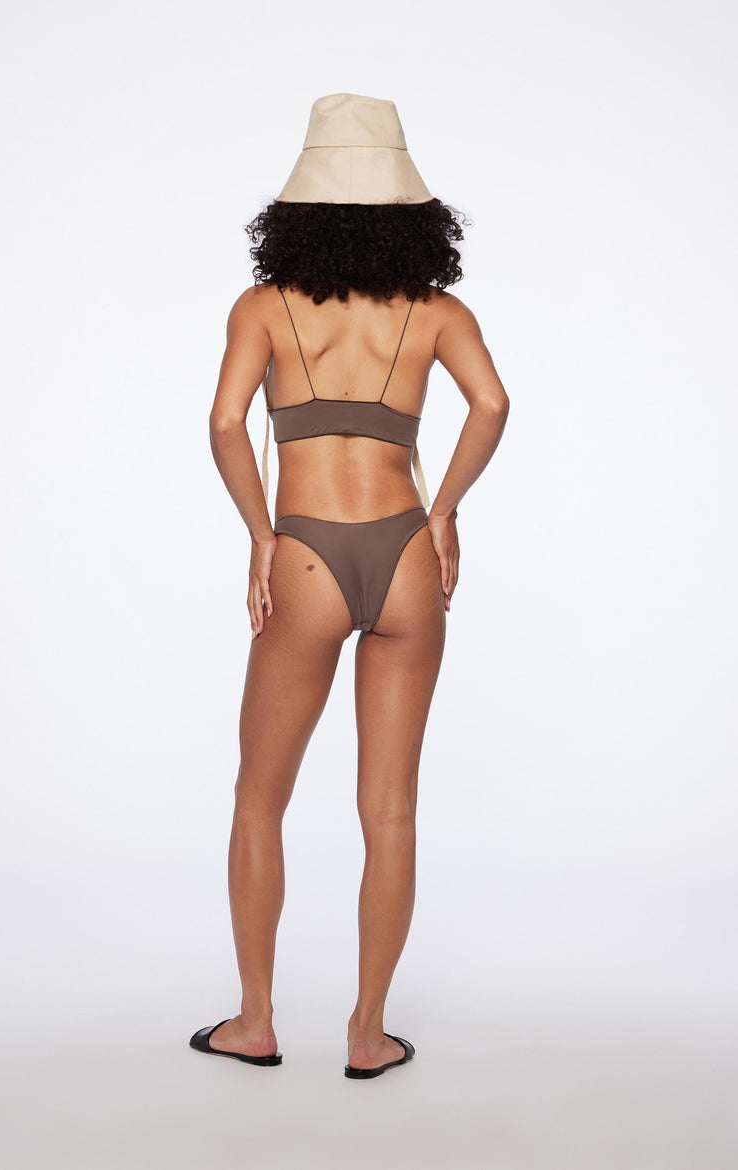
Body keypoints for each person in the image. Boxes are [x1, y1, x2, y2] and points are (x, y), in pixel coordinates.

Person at [190, 93, 510, 1078]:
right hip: (406, 552)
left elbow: (225, 424)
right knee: (392, 810)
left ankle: (254, 1022)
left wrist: (260, 534)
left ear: (298, 212)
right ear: (414, 217)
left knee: (259, 796)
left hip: (307, 556)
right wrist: (444, 510)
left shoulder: (262, 307)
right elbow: (492, 403)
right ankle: (368, 1036)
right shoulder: (437, 311)